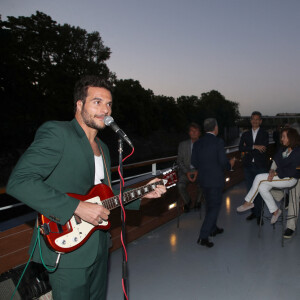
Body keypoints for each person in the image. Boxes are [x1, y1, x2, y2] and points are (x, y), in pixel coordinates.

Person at [6, 75, 166, 300]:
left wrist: (145, 193)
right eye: (97, 102)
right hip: (66, 250)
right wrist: (76, 207)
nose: (105, 110)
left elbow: (104, 198)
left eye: (109, 104)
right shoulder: (58, 133)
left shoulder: (103, 148)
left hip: (100, 245)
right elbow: (19, 181)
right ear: (79, 105)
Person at [237, 127, 300, 224]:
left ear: (291, 138)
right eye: (281, 137)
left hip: (290, 178)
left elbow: (291, 170)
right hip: (283, 176)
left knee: (258, 177)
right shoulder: (284, 149)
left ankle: (248, 202)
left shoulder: (297, 152)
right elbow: (276, 160)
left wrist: (276, 173)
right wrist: (271, 171)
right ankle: (275, 211)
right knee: (262, 187)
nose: (281, 139)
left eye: (284, 137)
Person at [191, 118, 235, 248]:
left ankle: (213, 228)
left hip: (203, 179)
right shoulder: (218, 142)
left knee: (209, 205)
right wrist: (230, 165)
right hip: (215, 180)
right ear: (215, 128)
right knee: (214, 207)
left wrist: (205, 168)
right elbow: (222, 161)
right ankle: (203, 236)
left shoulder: (198, 143)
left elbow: (194, 161)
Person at [239, 111, 269, 225]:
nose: (255, 121)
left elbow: (263, 148)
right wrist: (254, 147)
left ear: (260, 121)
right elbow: (241, 148)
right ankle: (253, 212)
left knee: (260, 191)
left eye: (257, 119)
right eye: (253, 119)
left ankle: (259, 215)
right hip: (248, 166)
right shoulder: (245, 134)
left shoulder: (265, 134)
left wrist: (249, 149)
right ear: (250, 120)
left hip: (260, 167)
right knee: (250, 190)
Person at [177, 122, 203, 212]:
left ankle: (198, 202)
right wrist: (187, 172)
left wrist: (197, 171)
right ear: (189, 133)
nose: (193, 133)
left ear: (199, 133)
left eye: (196, 131)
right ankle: (188, 202)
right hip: (186, 171)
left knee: (203, 183)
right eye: (192, 131)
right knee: (180, 185)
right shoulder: (182, 145)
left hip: (199, 172)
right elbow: (179, 161)